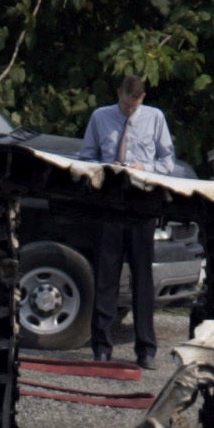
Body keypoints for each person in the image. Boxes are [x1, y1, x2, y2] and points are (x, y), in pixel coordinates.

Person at [75, 75, 179, 369]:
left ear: (143, 98)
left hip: (141, 203)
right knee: (106, 276)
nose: (128, 110)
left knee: (142, 278)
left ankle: (146, 349)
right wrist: (105, 169)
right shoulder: (101, 117)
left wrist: (141, 167)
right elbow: (86, 157)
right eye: (124, 103)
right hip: (110, 202)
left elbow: (167, 163)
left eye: (134, 105)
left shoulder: (155, 119)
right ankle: (102, 347)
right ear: (118, 93)